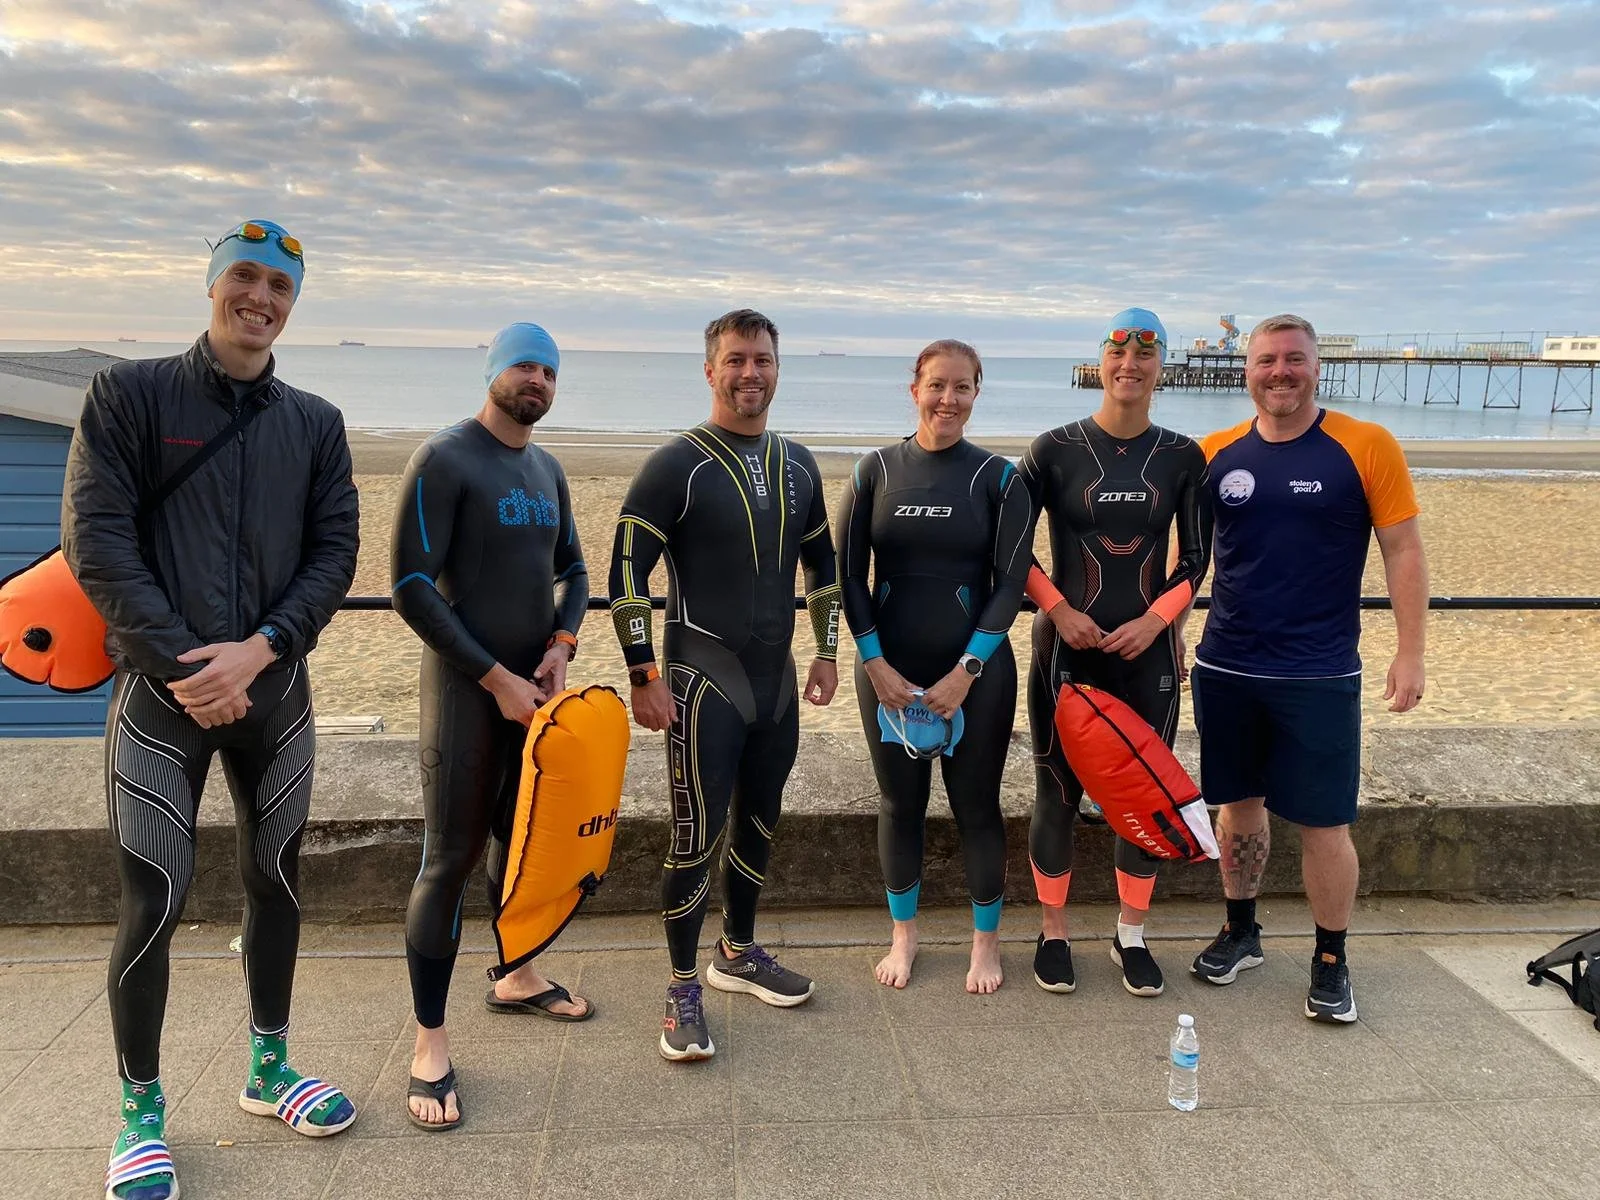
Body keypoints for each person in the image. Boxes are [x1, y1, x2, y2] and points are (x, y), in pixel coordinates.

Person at [62, 220, 360, 1200]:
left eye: (281, 285)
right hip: (162, 694)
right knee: (155, 896)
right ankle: (139, 1108)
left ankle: (267, 1069)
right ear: (211, 285)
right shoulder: (129, 395)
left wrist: (262, 649)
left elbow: (333, 552)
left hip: (274, 690)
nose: (261, 297)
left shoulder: (314, 422)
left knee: (275, 880)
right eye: (245, 276)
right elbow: (96, 540)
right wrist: (194, 663)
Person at [610, 309, 841, 1062]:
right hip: (702, 682)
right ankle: (682, 987)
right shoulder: (678, 463)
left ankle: (737, 951)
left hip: (775, 687)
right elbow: (624, 572)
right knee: (694, 837)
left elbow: (825, 572)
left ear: (779, 368)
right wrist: (643, 674)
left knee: (760, 822)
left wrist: (826, 653)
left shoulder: (800, 463)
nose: (751, 372)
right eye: (736, 359)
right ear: (710, 370)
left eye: (763, 359)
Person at [1188, 313, 1427, 1023]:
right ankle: (1241, 929)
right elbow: (1185, 561)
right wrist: (1171, 630)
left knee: (1324, 824)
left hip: (1320, 673)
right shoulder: (1215, 454)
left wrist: (1410, 652)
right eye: (1266, 361)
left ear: (1316, 367)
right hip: (1227, 663)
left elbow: (1404, 551)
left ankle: (1331, 956)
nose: (1280, 372)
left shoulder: (1365, 445)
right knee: (1238, 809)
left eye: (1294, 360)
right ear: (1247, 370)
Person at [390, 322, 593, 1129]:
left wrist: (561, 645)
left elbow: (574, 570)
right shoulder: (445, 458)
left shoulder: (546, 468)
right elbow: (409, 584)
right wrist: (496, 677)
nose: (536, 379)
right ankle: (429, 1045)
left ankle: (515, 973)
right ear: (492, 371)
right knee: (449, 859)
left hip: (533, 692)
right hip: (468, 690)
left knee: (524, 844)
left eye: (548, 369)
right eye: (523, 364)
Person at [1019, 308, 1212, 998]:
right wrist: (1059, 609)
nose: (1130, 366)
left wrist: (1157, 622)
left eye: (1145, 356)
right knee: (1057, 792)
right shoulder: (1054, 449)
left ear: (1161, 368)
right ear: (1101, 361)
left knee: (1143, 796)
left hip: (1146, 654)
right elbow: (1010, 551)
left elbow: (1195, 558)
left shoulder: (1184, 456)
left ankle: (1130, 933)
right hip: (1065, 649)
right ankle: (1054, 930)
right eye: (1118, 353)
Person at [835, 339, 1032, 993]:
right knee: (900, 805)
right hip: (886, 671)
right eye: (937, 385)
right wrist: (875, 664)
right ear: (913, 388)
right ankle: (905, 936)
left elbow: (1011, 585)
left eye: (963, 387)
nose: (948, 399)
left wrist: (965, 672)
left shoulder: (1001, 480)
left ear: (978, 393)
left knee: (977, 808)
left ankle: (984, 945)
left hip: (976, 676)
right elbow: (848, 577)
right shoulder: (875, 472)